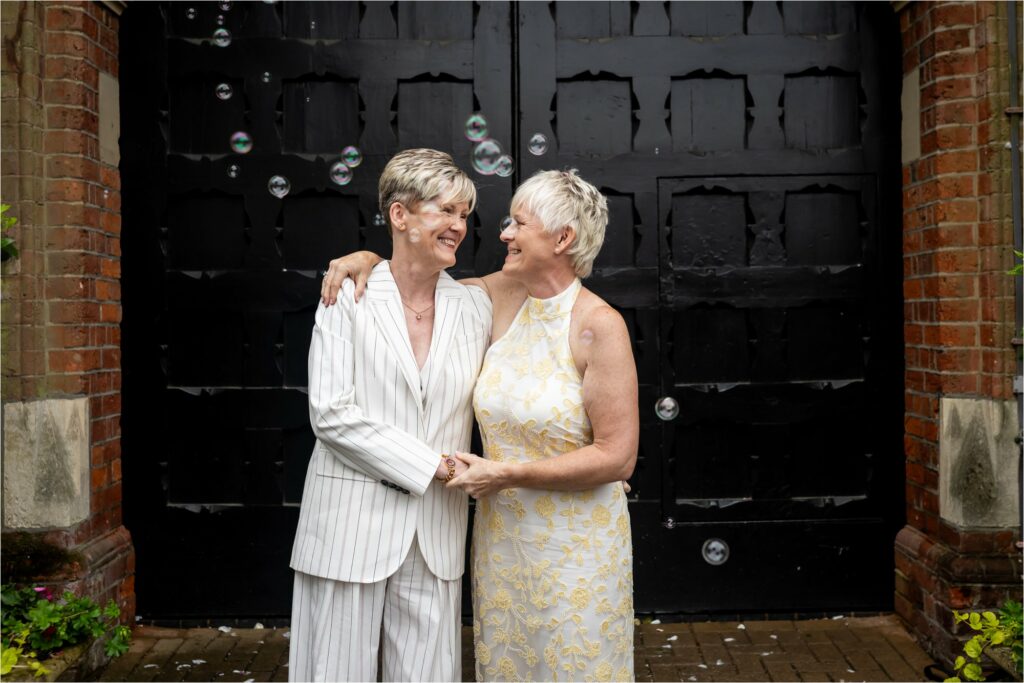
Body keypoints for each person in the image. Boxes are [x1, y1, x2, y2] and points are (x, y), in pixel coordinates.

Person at [321, 169, 639, 682]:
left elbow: (618, 456)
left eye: (518, 224)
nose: (503, 234)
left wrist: (506, 474)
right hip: (503, 541)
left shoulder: (598, 325)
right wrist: (369, 259)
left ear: (563, 239)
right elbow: (416, 279)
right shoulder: (500, 296)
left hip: (575, 546)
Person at [289, 149, 492, 682]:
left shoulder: (476, 307)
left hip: (437, 540)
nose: (458, 226)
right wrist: (434, 467)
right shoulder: (347, 294)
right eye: (445, 211)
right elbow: (330, 414)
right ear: (399, 215)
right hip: (346, 529)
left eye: (464, 215)